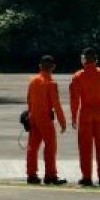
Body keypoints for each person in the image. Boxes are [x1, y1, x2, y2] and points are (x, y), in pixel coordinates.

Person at [70, 47, 100, 187]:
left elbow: (74, 100)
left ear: (83, 59)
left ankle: (87, 177)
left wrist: (73, 116)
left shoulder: (78, 76)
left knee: (85, 147)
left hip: (85, 113)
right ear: (96, 59)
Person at [25, 54, 67, 185]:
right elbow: (56, 105)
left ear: (40, 66)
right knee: (50, 146)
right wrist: (62, 122)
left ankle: (31, 175)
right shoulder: (51, 83)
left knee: (32, 147)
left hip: (33, 117)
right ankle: (50, 175)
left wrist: (29, 114)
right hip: (45, 118)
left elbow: (29, 100)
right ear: (53, 67)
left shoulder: (33, 80)